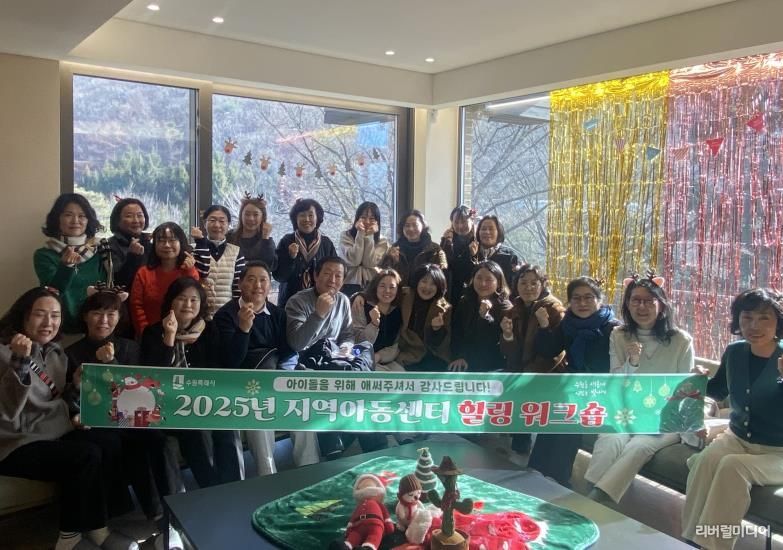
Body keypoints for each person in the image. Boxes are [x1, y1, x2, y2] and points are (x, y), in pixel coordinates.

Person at [0, 287, 138, 550]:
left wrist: (75, 386)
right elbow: (7, 410)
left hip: (48, 432)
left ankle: (99, 527)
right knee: (83, 455)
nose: (48, 322)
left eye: (55, 315)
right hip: (14, 442)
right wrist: (19, 361)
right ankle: (69, 538)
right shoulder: (5, 352)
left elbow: (58, 399)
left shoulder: (56, 353)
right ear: (23, 316)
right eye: (40, 314)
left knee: (106, 441)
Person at [682, 288, 783, 550]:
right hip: (737, 438)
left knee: (733, 466)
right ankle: (689, 539)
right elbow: (718, 391)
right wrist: (698, 380)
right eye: (747, 317)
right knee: (707, 461)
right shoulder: (735, 352)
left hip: (778, 452)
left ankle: (712, 545)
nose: (754, 326)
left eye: (764, 318)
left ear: (778, 322)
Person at [64, 288, 172, 524]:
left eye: (111, 314)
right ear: (85, 316)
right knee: (112, 442)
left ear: (119, 317)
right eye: (97, 313)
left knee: (155, 438)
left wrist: (111, 362)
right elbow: (69, 399)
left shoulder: (130, 347)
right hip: (95, 422)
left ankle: (169, 505)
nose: (104, 320)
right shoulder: (71, 353)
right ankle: (120, 511)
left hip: (128, 417)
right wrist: (77, 395)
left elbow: (136, 394)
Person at [584, 273, 694, 504]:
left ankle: (597, 499)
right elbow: (616, 383)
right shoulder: (619, 335)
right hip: (627, 410)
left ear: (661, 305)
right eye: (635, 300)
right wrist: (632, 363)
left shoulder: (681, 340)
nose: (641, 307)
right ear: (627, 304)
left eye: (648, 301)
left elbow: (686, 388)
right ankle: (589, 491)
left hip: (666, 416)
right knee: (610, 439)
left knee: (639, 446)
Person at [213, 261, 317, 474]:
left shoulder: (278, 314)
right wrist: (243, 330)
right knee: (259, 414)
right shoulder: (225, 315)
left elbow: (288, 353)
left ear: (270, 285)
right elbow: (230, 362)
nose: (258, 285)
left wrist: (282, 380)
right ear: (240, 284)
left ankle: (310, 469)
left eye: (263, 280)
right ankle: (267, 475)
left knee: (301, 407)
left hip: (275, 380)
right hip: (243, 386)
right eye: (251, 279)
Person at [140, 277, 243, 487]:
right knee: (193, 431)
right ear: (170, 301)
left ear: (201, 304)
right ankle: (211, 487)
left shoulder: (209, 330)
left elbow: (219, 368)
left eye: (194, 300)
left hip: (203, 401)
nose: (188, 304)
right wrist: (169, 338)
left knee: (226, 424)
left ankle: (231, 487)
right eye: (181, 298)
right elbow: (152, 379)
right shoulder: (153, 333)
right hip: (166, 406)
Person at [286, 256, 386, 457]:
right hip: (312, 362)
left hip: (338, 357)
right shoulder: (297, 301)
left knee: (364, 347)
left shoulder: (342, 300)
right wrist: (318, 315)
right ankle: (350, 442)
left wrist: (347, 348)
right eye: (327, 273)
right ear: (315, 276)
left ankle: (362, 442)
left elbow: (347, 335)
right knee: (348, 386)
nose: (333, 280)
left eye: (338, 275)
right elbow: (297, 344)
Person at [526, 276, 620, 487]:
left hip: (603, 392)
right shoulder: (568, 323)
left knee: (570, 415)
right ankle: (537, 471)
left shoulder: (613, 329)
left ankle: (558, 478)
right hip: (574, 387)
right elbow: (549, 350)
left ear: (599, 300)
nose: (582, 303)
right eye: (576, 298)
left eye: (588, 297)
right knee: (556, 410)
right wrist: (544, 326)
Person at [500, 264, 566, 454]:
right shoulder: (514, 309)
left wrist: (529, 374)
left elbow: (558, 351)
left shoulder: (554, 308)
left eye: (534, 283)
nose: (528, 288)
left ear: (542, 284)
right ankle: (515, 447)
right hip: (521, 372)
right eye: (523, 283)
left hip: (548, 374)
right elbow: (509, 352)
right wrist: (507, 335)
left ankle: (526, 449)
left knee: (524, 393)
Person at [33, 193, 109, 334]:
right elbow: (51, 293)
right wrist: (66, 267)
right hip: (59, 329)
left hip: (96, 328)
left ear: (88, 220)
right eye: (68, 215)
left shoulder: (99, 251)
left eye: (82, 216)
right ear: (57, 219)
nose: (75, 221)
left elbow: (105, 290)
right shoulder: (44, 255)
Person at [130, 222, 198, 338]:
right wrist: (146, 333)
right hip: (150, 335)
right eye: (161, 240)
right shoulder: (144, 273)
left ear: (181, 243)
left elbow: (194, 303)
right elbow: (136, 306)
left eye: (172, 240)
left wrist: (189, 271)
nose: (167, 245)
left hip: (183, 336)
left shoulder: (189, 271)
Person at [449, 261, 512, 372]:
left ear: (498, 283)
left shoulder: (505, 307)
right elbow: (457, 332)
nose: (483, 284)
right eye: (479, 278)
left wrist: (485, 317)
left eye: (489, 280)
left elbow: (496, 340)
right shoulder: (465, 301)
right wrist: (460, 356)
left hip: (494, 364)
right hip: (466, 360)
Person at [274, 198, 337, 306]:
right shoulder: (287, 241)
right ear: (295, 219)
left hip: (319, 301)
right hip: (289, 302)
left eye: (311, 215)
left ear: (317, 218)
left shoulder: (326, 244)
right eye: (302, 215)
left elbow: (335, 274)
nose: (307, 219)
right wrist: (290, 258)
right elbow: (279, 276)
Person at [394, 264, 452, 372]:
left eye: (433, 284)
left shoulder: (444, 308)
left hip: (427, 355)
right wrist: (362, 296)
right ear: (417, 281)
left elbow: (440, 345)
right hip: (399, 348)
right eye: (424, 281)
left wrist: (436, 330)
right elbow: (381, 295)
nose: (427, 287)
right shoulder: (404, 295)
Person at [191, 204, 246, 319]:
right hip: (197, 315)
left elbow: (238, 289)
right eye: (212, 220)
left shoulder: (236, 252)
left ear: (228, 224)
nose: (217, 225)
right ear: (204, 223)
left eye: (222, 221)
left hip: (226, 316)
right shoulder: (193, 249)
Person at [351, 269, 403, 371]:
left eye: (392, 287)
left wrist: (379, 356)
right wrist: (374, 324)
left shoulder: (398, 311)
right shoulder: (362, 305)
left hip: (386, 359)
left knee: (402, 375)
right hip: (361, 358)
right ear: (375, 287)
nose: (387, 291)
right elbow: (357, 342)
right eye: (382, 286)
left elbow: (396, 344)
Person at [380, 210, 447, 288]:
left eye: (415, 225)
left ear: (423, 226)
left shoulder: (435, 249)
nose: (411, 229)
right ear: (402, 228)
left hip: (425, 292)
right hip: (399, 293)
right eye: (407, 225)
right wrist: (391, 260)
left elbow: (440, 278)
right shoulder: (394, 249)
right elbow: (383, 275)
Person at [339, 201, 390, 297]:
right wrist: (360, 233)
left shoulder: (382, 241)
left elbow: (369, 263)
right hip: (348, 282)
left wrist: (369, 236)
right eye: (363, 217)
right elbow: (354, 261)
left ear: (377, 222)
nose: (367, 222)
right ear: (357, 219)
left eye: (372, 218)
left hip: (372, 284)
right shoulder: (346, 236)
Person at [108, 197, 152, 291]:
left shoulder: (149, 243)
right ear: (117, 220)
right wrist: (132, 257)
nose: (136, 220)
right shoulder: (109, 246)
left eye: (140, 215)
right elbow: (116, 283)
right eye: (129, 216)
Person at [440, 205, 477, 306]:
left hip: (472, 291)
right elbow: (444, 266)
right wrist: (446, 243)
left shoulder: (478, 241)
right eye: (456, 222)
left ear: (472, 221)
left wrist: (471, 254)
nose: (460, 226)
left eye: (464, 222)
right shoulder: (448, 240)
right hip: (451, 290)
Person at [227, 193, 276, 268]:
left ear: (262, 217)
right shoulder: (229, 236)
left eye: (255, 215)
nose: (251, 218)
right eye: (247, 214)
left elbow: (270, 266)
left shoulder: (267, 241)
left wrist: (265, 238)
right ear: (241, 215)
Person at [472, 215, 520, 287]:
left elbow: (514, 285)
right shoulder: (471, 252)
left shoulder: (509, 256)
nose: (487, 232)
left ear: (499, 232)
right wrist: (473, 256)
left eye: (491, 229)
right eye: (483, 229)